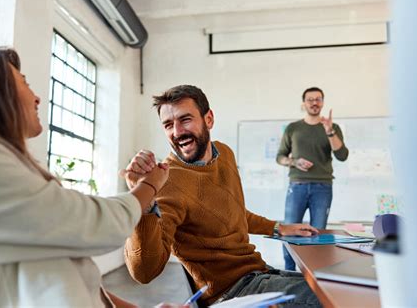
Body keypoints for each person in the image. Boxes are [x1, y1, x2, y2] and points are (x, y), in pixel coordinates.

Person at [0, 45, 170, 308]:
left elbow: (70, 279)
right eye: (24, 82)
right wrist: (149, 187)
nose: (37, 97)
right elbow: (97, 225)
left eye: (185, 120)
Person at [120, 85, 322, 307]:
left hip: (258, 273)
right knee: (332, 300)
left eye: (185, 119)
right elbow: (143, 272)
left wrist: (277, 227)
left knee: (333, 288)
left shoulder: (224, 153)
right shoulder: (166, 182)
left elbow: (232, 211)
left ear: (208, 119)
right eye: (168, 125)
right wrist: (144, 202)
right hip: (229, 293)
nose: (177, 132)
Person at [276, 87, 349, 271]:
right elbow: (280, 157)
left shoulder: (332, 128)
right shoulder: (293, 128)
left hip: (323, 187)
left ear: (323, 102)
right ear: (304, 103)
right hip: (297, 186)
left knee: (318, 235)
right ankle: (288, 274)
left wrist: (330, 131)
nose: (314, 102)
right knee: (289, 232)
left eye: (318, 99)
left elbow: (342, 155)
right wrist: (294, 162)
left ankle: (315, 277)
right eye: (310, 99)